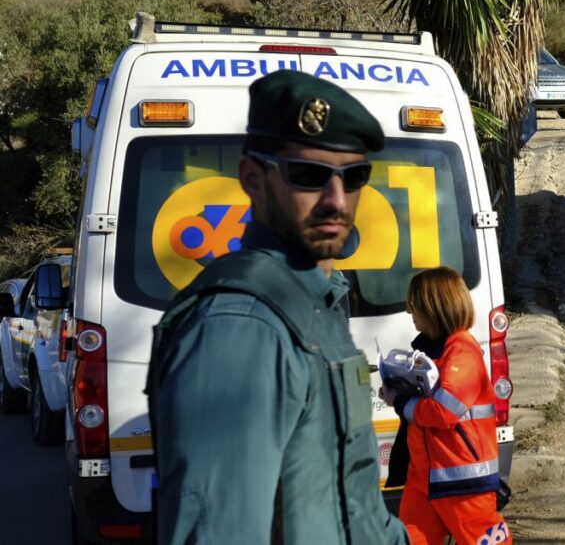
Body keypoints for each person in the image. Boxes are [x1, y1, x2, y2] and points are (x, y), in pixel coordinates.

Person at [146, 69, 408, 545]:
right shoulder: (239, 328)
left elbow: (355, 510)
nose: (336, 199)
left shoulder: (315, 301)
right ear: (253, 178)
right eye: (307, 175)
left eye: (354, 177)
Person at [381, 267, 511, 545]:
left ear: (434, 306)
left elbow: (443, 412)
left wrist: (402, 402)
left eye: (414, 304)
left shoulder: (462, 352)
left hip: (464, 484)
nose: (408, 311)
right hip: (425, 480)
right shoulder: (435, 350)